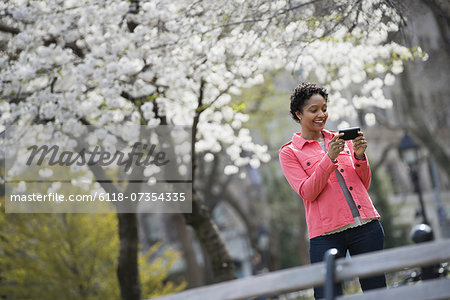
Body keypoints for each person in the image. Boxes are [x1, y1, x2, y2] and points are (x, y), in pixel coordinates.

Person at [278, 82, 386, 299]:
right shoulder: (289, 152)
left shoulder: (339, 140)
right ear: (298, 114)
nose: (321, 114)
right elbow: (307, 192)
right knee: (327, 295)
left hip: (365, 226)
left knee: (377, 292)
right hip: (326, 235)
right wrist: (329, 159)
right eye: (314, 110)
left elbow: (363, 185)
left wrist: (359, 156)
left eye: (324, 109)